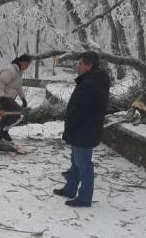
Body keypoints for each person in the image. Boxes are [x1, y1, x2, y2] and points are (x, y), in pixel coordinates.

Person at [53, 51, 110, 207]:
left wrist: (71, 126)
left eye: (80, 64)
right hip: (82, 129)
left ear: (89, 65)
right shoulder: (90, 80)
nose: (76, 66)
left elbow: (81, 110)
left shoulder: (92, 83)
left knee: (83, 163)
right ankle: (70, 189)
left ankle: (84, 198)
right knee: (75, 161)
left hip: (85, 130)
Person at [0, 54, 31, 141]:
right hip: (5, 97)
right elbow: (1, 83)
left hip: (10, 98)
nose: (27, 67)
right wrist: (1, 96)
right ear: (20, 62)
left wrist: (23, 99)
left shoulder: (18, 72)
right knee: (18, 113)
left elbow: (18, 87)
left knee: (6, 116)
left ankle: (0, 137)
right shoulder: (10, 70)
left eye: (28, 65)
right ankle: (4, 131)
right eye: (26, 64)